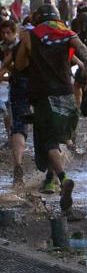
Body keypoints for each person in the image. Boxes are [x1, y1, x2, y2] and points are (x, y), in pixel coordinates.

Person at [15, 5, 87, 210]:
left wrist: (26, 48)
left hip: (42, 95)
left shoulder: (31, 35)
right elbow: (84, 56)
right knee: (60, 137)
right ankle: (50, 180)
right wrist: (85, 78)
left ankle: (63, 178)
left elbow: (20, 65)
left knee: (48, 140)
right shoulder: (65, 33)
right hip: (66, 93)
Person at [0, 20, 28, 188]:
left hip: (19, 87)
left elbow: (3, 70)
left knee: (18, 126)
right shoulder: (44, 46)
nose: (5, 36)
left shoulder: (18, 48)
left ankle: (18, 165)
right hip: (44, 89)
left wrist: (9, 75)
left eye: (8, 32)